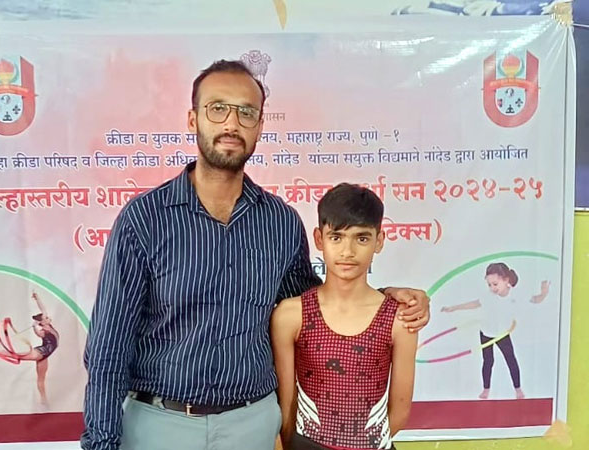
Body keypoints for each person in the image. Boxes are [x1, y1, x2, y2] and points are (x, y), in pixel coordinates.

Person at [81, 59, 430, 450]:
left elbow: (316, 309)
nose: (232, 123)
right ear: (193, 119)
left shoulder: (280, 222)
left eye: (246, 112)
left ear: (260, 126)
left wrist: (383, 300)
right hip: (160, 425)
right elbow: (109, 349)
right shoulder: (145, 219)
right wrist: (102, 443)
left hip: (252, 427)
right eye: (218, 108)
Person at [271, 183, 418, 450]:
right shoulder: (292, 314)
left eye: (361, 238)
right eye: (336, 237)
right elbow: (286, 405)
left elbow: (399, 410)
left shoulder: (399, 318)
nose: (347, 252)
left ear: (379, 241)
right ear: (319, 239)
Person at [441, 262, 550, 400]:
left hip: (502, 334)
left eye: (495, 284)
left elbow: (536, 300)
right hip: (486, 333)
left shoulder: (516, 294)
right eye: (489, 285)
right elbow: (474, 304)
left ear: (506, 280)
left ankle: (518, 389)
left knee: (511, 360)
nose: (492, 288)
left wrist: (544, 293)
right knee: (488, 361)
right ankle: (486, 389)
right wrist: (454, 308)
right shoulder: (487, 295)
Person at [0, 291, 59, 407]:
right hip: (40, 353)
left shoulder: (48, 326)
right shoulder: (43, 331)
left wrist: (37, 298)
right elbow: (39, 331)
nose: (47, 317)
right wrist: (34, 326)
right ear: (42, 321)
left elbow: (43, 309)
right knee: (14, 354)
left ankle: (44, 400)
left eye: (46, 317)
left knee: (41, 379)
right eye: (45, 317)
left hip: (45, 356)